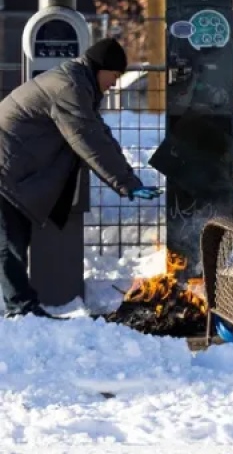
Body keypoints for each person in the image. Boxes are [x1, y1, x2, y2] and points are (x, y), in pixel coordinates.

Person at [0, 38, 160, 319]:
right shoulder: (70, 88)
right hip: (6, 169)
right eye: (115, 75)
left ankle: (22, 307)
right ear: (101, 68)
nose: (114, 83)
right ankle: (21, 310)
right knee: (9, 244)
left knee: (14, 241)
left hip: (15, 170)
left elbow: (100, 134)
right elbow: (88, 140)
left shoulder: (77, 83)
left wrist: (129, 180)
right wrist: (125, 183)